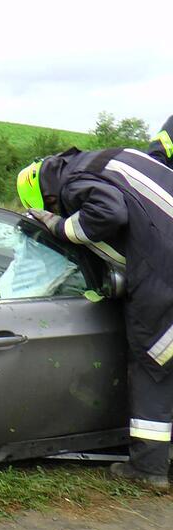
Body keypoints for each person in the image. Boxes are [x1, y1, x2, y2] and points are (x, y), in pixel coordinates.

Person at [17, 146, 173, 489]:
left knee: (153, 368)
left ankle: (148, 469)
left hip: (165, 282)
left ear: (48, 198)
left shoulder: (74, 182)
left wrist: (60, 227)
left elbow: (109, 214)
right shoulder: (113, 160)